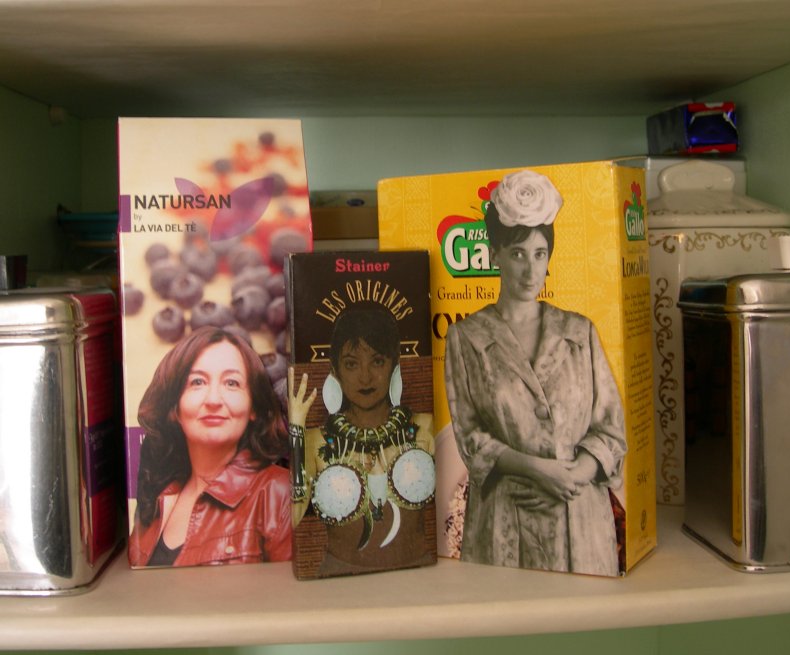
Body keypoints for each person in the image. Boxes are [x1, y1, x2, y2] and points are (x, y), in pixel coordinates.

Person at [444, 169, 627, 576]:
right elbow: (471, 437)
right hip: (504, 524)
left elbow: (612, 430)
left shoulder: (580, 333)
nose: (530, 270)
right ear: (495, 255)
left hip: (578, 522)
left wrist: (572, 478)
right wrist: (539, 471)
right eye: (518, 254)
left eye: (540, 253)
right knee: (505, 610)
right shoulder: (467, 338)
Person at [289, 307, 436, 577]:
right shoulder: (314, 440)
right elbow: (293, 520)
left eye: (377, 361)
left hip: (418, 576)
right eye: (351, 364)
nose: (365, 377)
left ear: (395, 365)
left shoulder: (425, 428)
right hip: (337, 582)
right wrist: (296, 429)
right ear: (335, 370)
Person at [129, 326, 292, 567]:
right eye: (197, 382)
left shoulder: (279, 493)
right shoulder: (155, 498)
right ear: (174, 408)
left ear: (254, 407)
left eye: (232, 383)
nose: (214, 400)